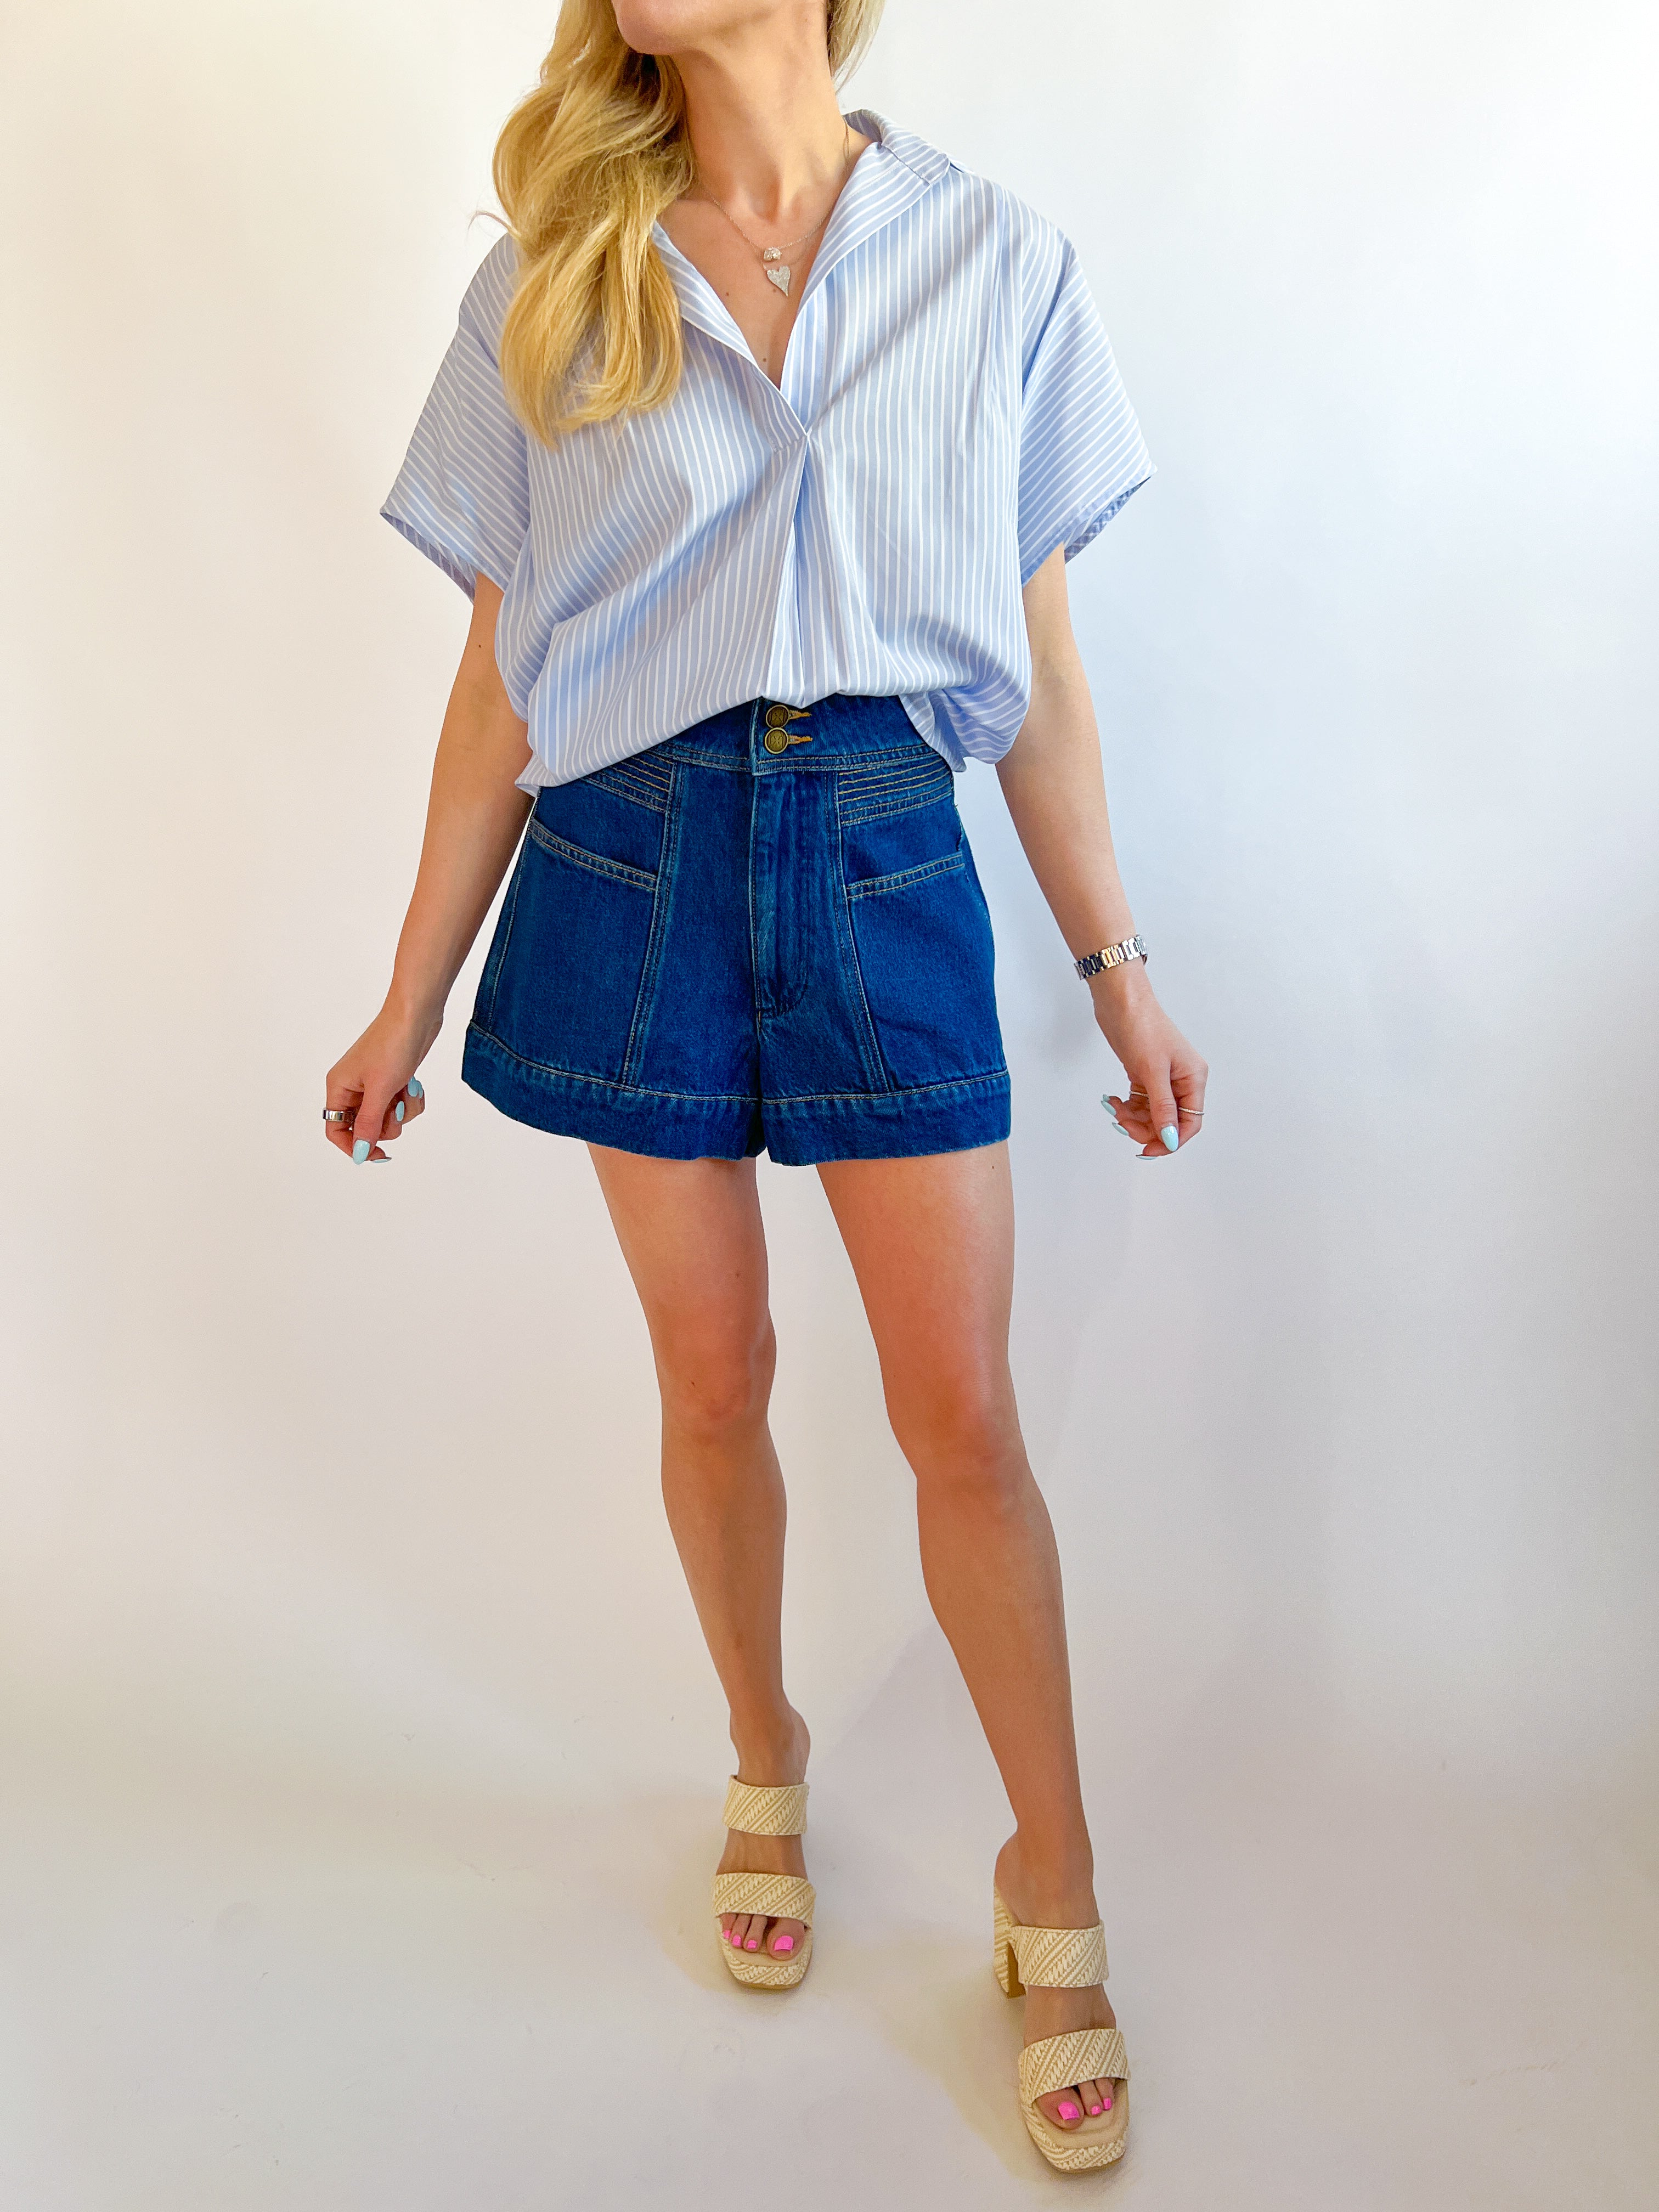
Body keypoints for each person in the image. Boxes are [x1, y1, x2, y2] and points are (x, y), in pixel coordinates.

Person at [324, 0, 1205, 2172]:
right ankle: (764, 1754)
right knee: (711, 1378)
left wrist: (1118, 970)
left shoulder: (995, 263)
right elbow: (494, 687)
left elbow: (1044, 676)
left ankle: (1053, 1873)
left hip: (889, 846)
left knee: (961, 1415)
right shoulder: (557, 275)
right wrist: (407, 995)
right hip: (631, 856)